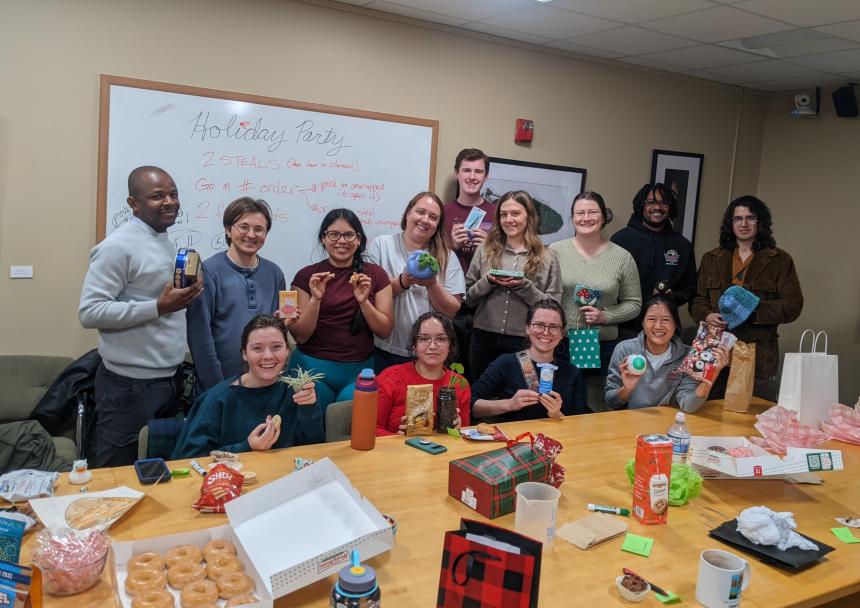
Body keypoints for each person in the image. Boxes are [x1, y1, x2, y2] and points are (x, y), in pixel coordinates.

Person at [79, 166, 203, 467]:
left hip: (167, 380)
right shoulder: (117, 247)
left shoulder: (161, 239)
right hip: (129, 386)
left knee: (156, 468)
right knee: (117, 472)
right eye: (157, 196)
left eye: (173, 194)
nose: (170, 202)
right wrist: (158, 307)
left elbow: (154, 297)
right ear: (133, 203)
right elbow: (90, 311)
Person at [690, 196, 803, 401]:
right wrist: (707, 315)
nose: (744, 224)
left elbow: (793, 306)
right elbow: (697, 300)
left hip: (758, 354)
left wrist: (752, 311)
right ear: (730, 223)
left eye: (750, 218)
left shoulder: (780, 260)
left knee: (753, 416)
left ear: (761, 222)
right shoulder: (711, 258)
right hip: (714, 349)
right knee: (708, 411)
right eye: (738, 219)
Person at [172, 315, 323, 459]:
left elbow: (316, 448)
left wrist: (309, 409)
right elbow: (190, 459)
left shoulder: (297, 390)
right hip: (231, 482)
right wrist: (246, 447)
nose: (268, 356)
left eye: (276, 347)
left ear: (288, 351)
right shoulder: (217, 400)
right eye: (257, 348)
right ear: (244, 353)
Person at [288, 209, 393, 415]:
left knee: (347, 433)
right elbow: (300, 336)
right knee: (312, 431)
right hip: (310, 366)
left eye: (348, 234)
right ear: (323, 239)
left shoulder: (376, 275)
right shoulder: (306, 276)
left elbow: (384, 330)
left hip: (358, 371)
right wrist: (316, 298)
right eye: (333, 234)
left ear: (358, 239)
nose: (341, 241)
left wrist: (363, 302)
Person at [549, 191, 641, 410]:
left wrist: (605, 316)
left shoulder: (622, 257)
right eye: (580, 213)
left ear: (604, 217)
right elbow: (544, 296)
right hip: (561, 343)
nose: (586, 218)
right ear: (572, 218)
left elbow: (634, 303)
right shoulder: (554, 251)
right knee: (559, 403)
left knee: (599, 407)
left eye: (592, 212)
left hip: (604, 345)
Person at [186, 197, 289, 392]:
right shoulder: (208, 272)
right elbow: (200, 336)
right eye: (243, 227)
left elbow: (276, 328)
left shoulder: (274, 273)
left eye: (259, 229)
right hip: (220, 384)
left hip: (264, 382)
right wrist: (216, 388)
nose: (251, 234)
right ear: (228, 230)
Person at [465, 190, 562, 381]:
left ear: (529, 217)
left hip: (526, 342)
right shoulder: (485, 249)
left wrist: (524, 287)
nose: (509, 219)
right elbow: (468, 298)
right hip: (483, 338)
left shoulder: (548, 256)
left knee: (525, 393)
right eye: (503, 214)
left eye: (515, 213)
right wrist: (488, 281)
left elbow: (554, 308)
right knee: (479, 393)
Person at [365, 192, 465, 373]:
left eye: (433, 217)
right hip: (384, 350)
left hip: (428, 355)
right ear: (408, 213)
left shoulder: (446, 256)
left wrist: (432, 284)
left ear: (438, 224)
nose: (425, 220)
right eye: (420, 212)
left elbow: (452, 310)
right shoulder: (381, 246)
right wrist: (403, 281)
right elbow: (368, 296)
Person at [605, 295, 729, 412]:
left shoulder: (688, 355)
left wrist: (711, 376)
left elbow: (688, 406)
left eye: (665, 320)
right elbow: (611, 402)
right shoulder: (625, 350)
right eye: (651, 319)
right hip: (630, 422)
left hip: (669, 424)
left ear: (675, 325)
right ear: (643, 323)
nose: (658, 326)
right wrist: (626, 390)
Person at [471, 299, 587, 421]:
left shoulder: (572, 372)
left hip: (557, 438)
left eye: (554, 327)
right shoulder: (506, 363)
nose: (546, 332)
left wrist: (558, 415)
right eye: (539, 325)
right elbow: (471, 404)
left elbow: (580, 423)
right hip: (514, 438)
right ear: (527, 328)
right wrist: (509, 404)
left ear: (562, 333)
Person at [611, 183, 697, 339]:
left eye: (663, 202)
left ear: (670, 207)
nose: (657, 207)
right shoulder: (621, 239)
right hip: (624, 330)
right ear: (641, 206)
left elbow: (691, 287)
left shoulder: (682, 245)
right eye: (650, 202)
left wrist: (673, 296)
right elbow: (609, 285)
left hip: (665, 330)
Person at [444, 148, 496, 380]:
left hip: (486, 303)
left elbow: (511, 261)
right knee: (451, 368)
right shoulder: (443, 212)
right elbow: (429, 261)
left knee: (480, 371)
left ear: (486, 177)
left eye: (478, 171)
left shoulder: (498, 214)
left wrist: (489, 249)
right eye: (466, 170)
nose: (472, 176)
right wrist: (452, 246)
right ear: (457, 173)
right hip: (451, 302)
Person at [376, 312, 471, 436]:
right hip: (396, 453)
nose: (432, 346)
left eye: (441, 339)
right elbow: (372, 429)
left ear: (450, 346)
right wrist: (396, 438)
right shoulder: (390, 378)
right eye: (424, 338)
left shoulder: (459, 384)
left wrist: (459, 429)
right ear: (414, 345)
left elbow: (466, 433)